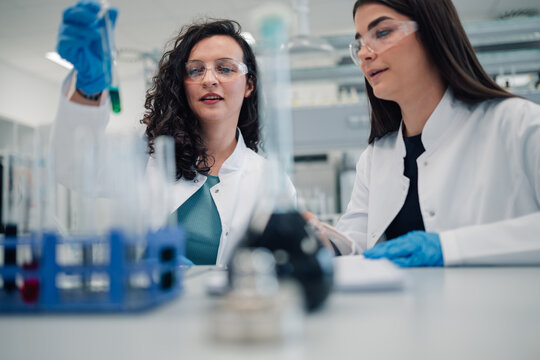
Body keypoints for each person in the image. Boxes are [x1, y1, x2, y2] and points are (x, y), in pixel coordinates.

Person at [52, 1, 295, 266]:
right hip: (149, 304)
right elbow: (72, 167)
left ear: (249, 85)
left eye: (225, 68)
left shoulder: (270, 180)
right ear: (183, 84)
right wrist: (88, 88)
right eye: (196, 70)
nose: (209, 79)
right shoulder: (147, 157)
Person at [329, 0, 540, 266]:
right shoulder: (375, 158)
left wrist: (450, 246)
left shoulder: (517, 124)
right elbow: (356, 244)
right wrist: (321, 241)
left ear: (432, 32)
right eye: (359, 43)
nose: (364, 54)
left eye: (382, 33)